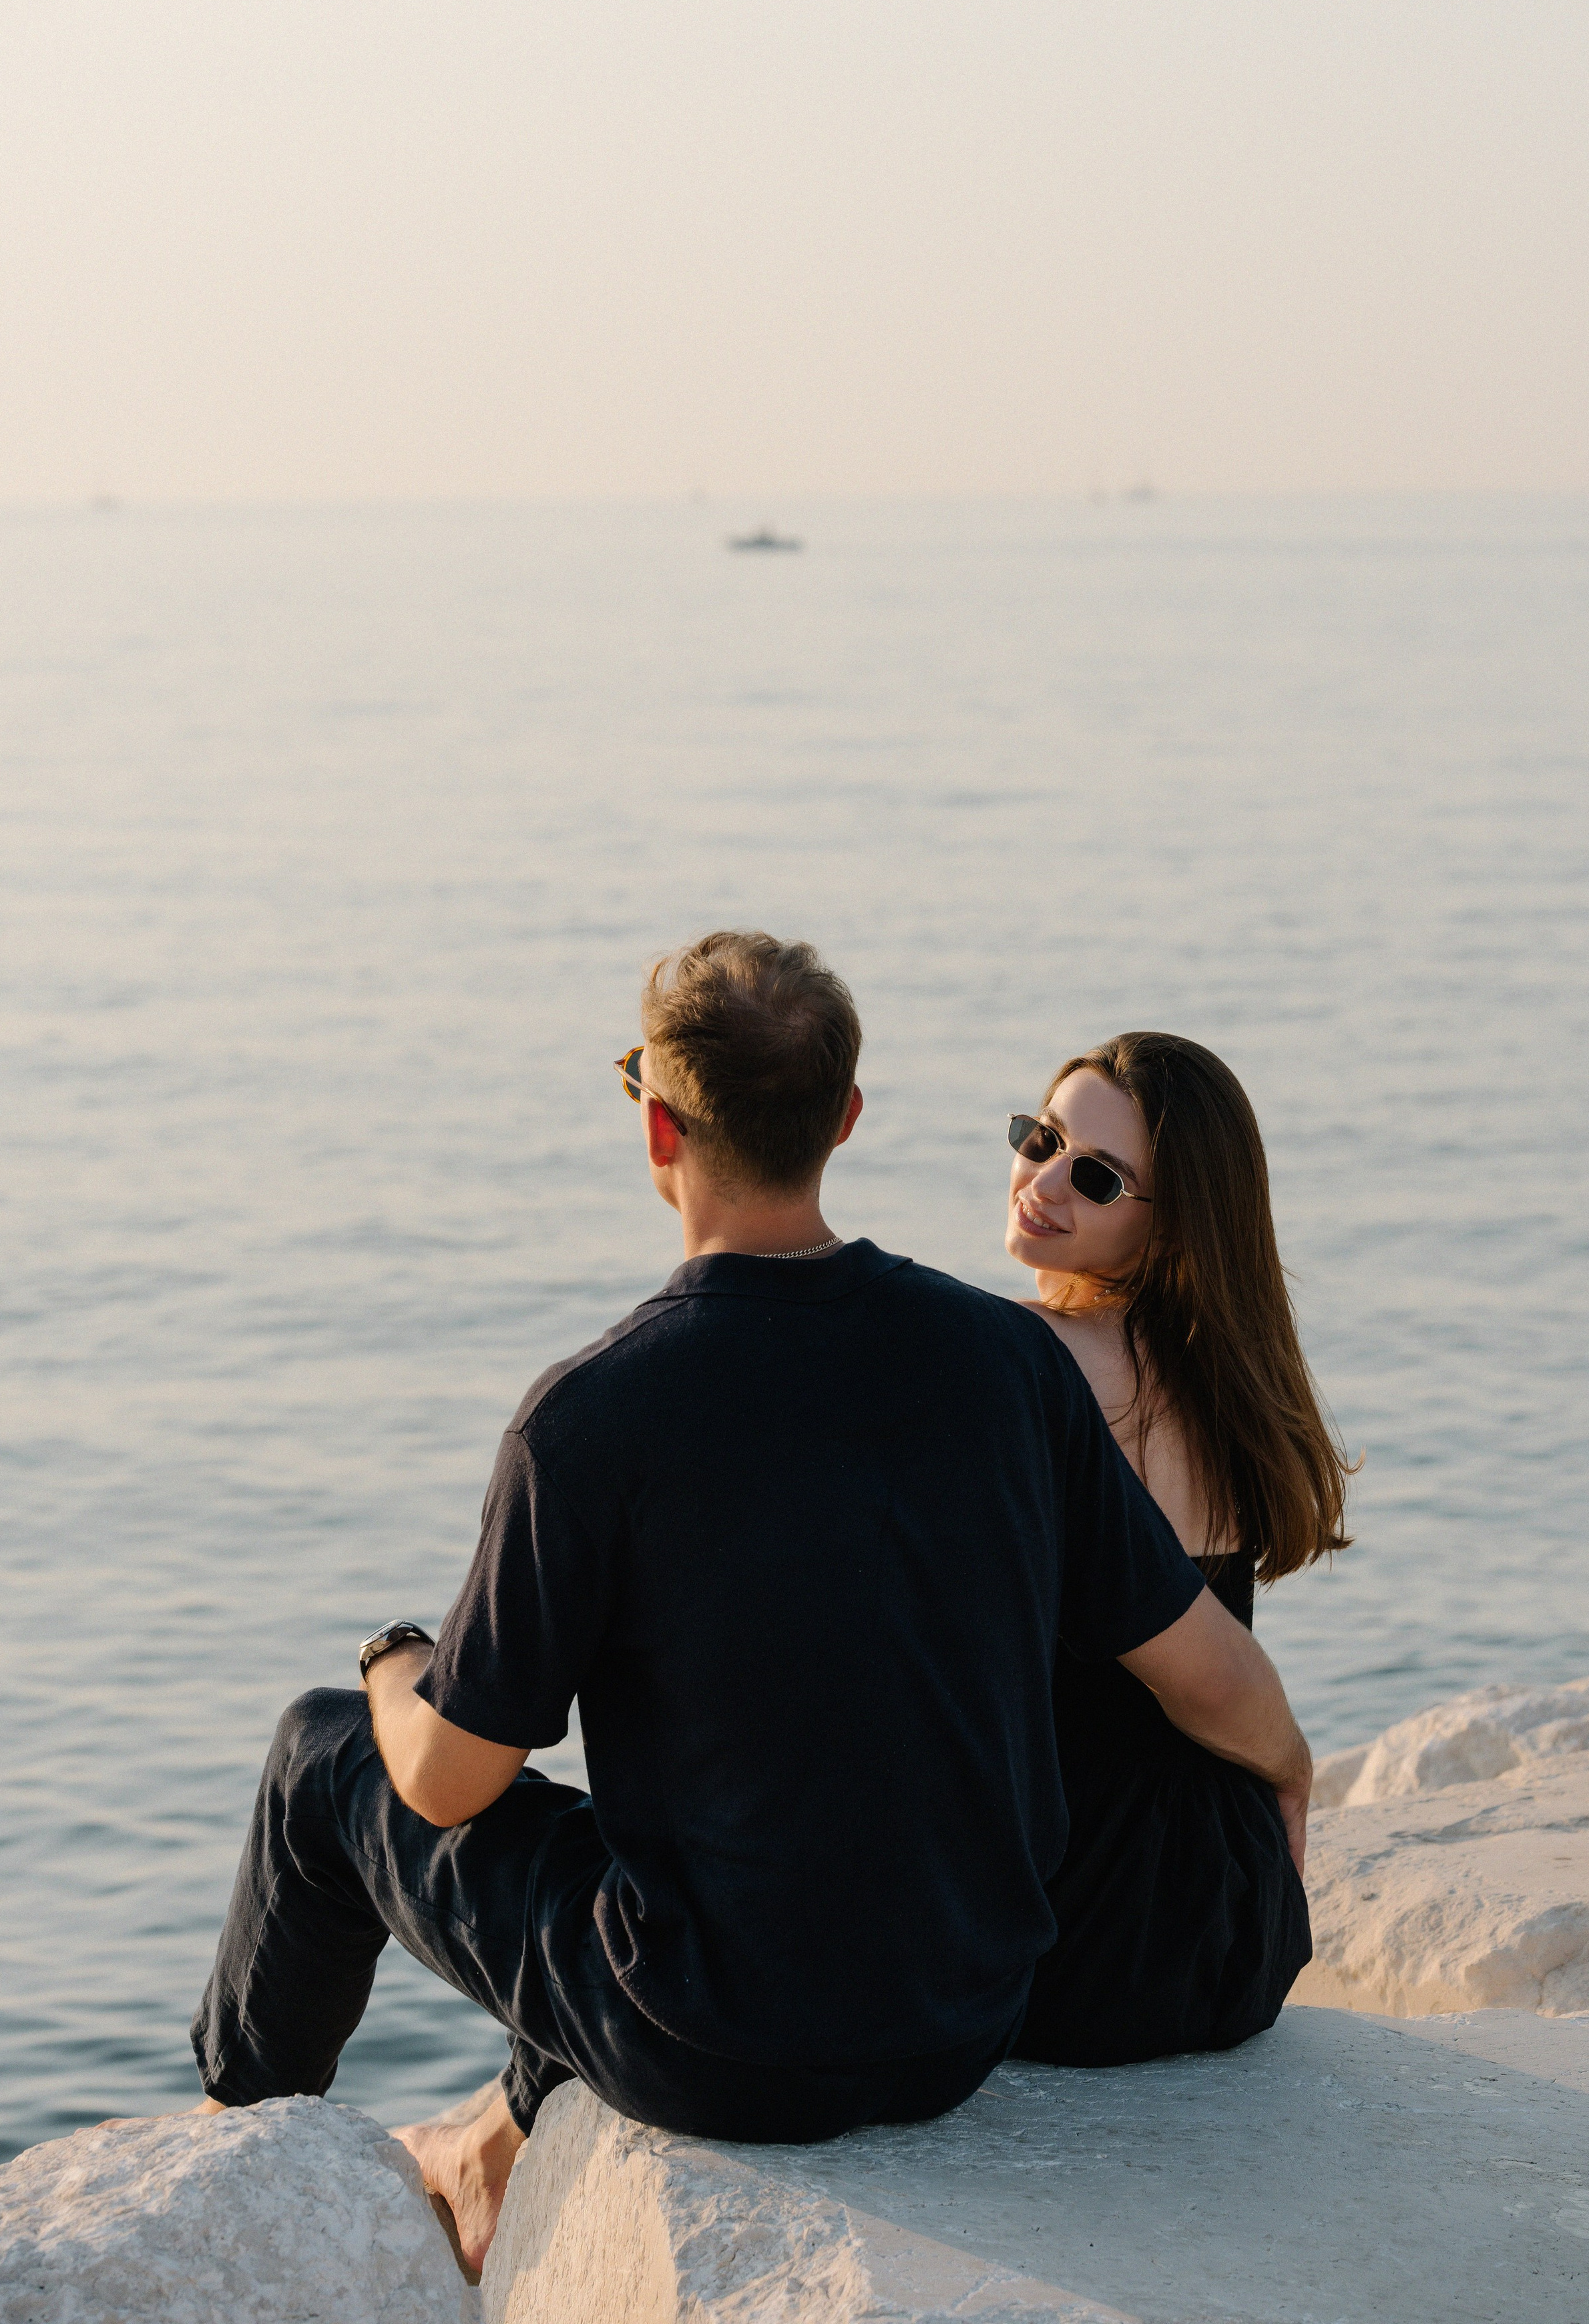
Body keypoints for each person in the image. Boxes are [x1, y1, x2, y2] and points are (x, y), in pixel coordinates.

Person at [191, 937, 1313, 2277]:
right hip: (966, 2014)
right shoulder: (1003, 1361)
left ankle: (224, 2197)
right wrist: (1289, 1796)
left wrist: (393, 1664)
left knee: (326, 1755)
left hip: (714, 2043)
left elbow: (445, 1785)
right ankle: (493, 2143)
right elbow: (1211, 1675)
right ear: (844, 1120)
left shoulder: (589, 1413)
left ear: (659, 1126)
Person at [1003, 1031, 1353, 2066]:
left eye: (1097, 1177)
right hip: (1239, 1925)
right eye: (1044, 1137)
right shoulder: (1232, 1385)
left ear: (1171, 1228)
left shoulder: (1023, 1354)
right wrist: (1286, 1768)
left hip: (1076, 1938)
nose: (1045, 1181)